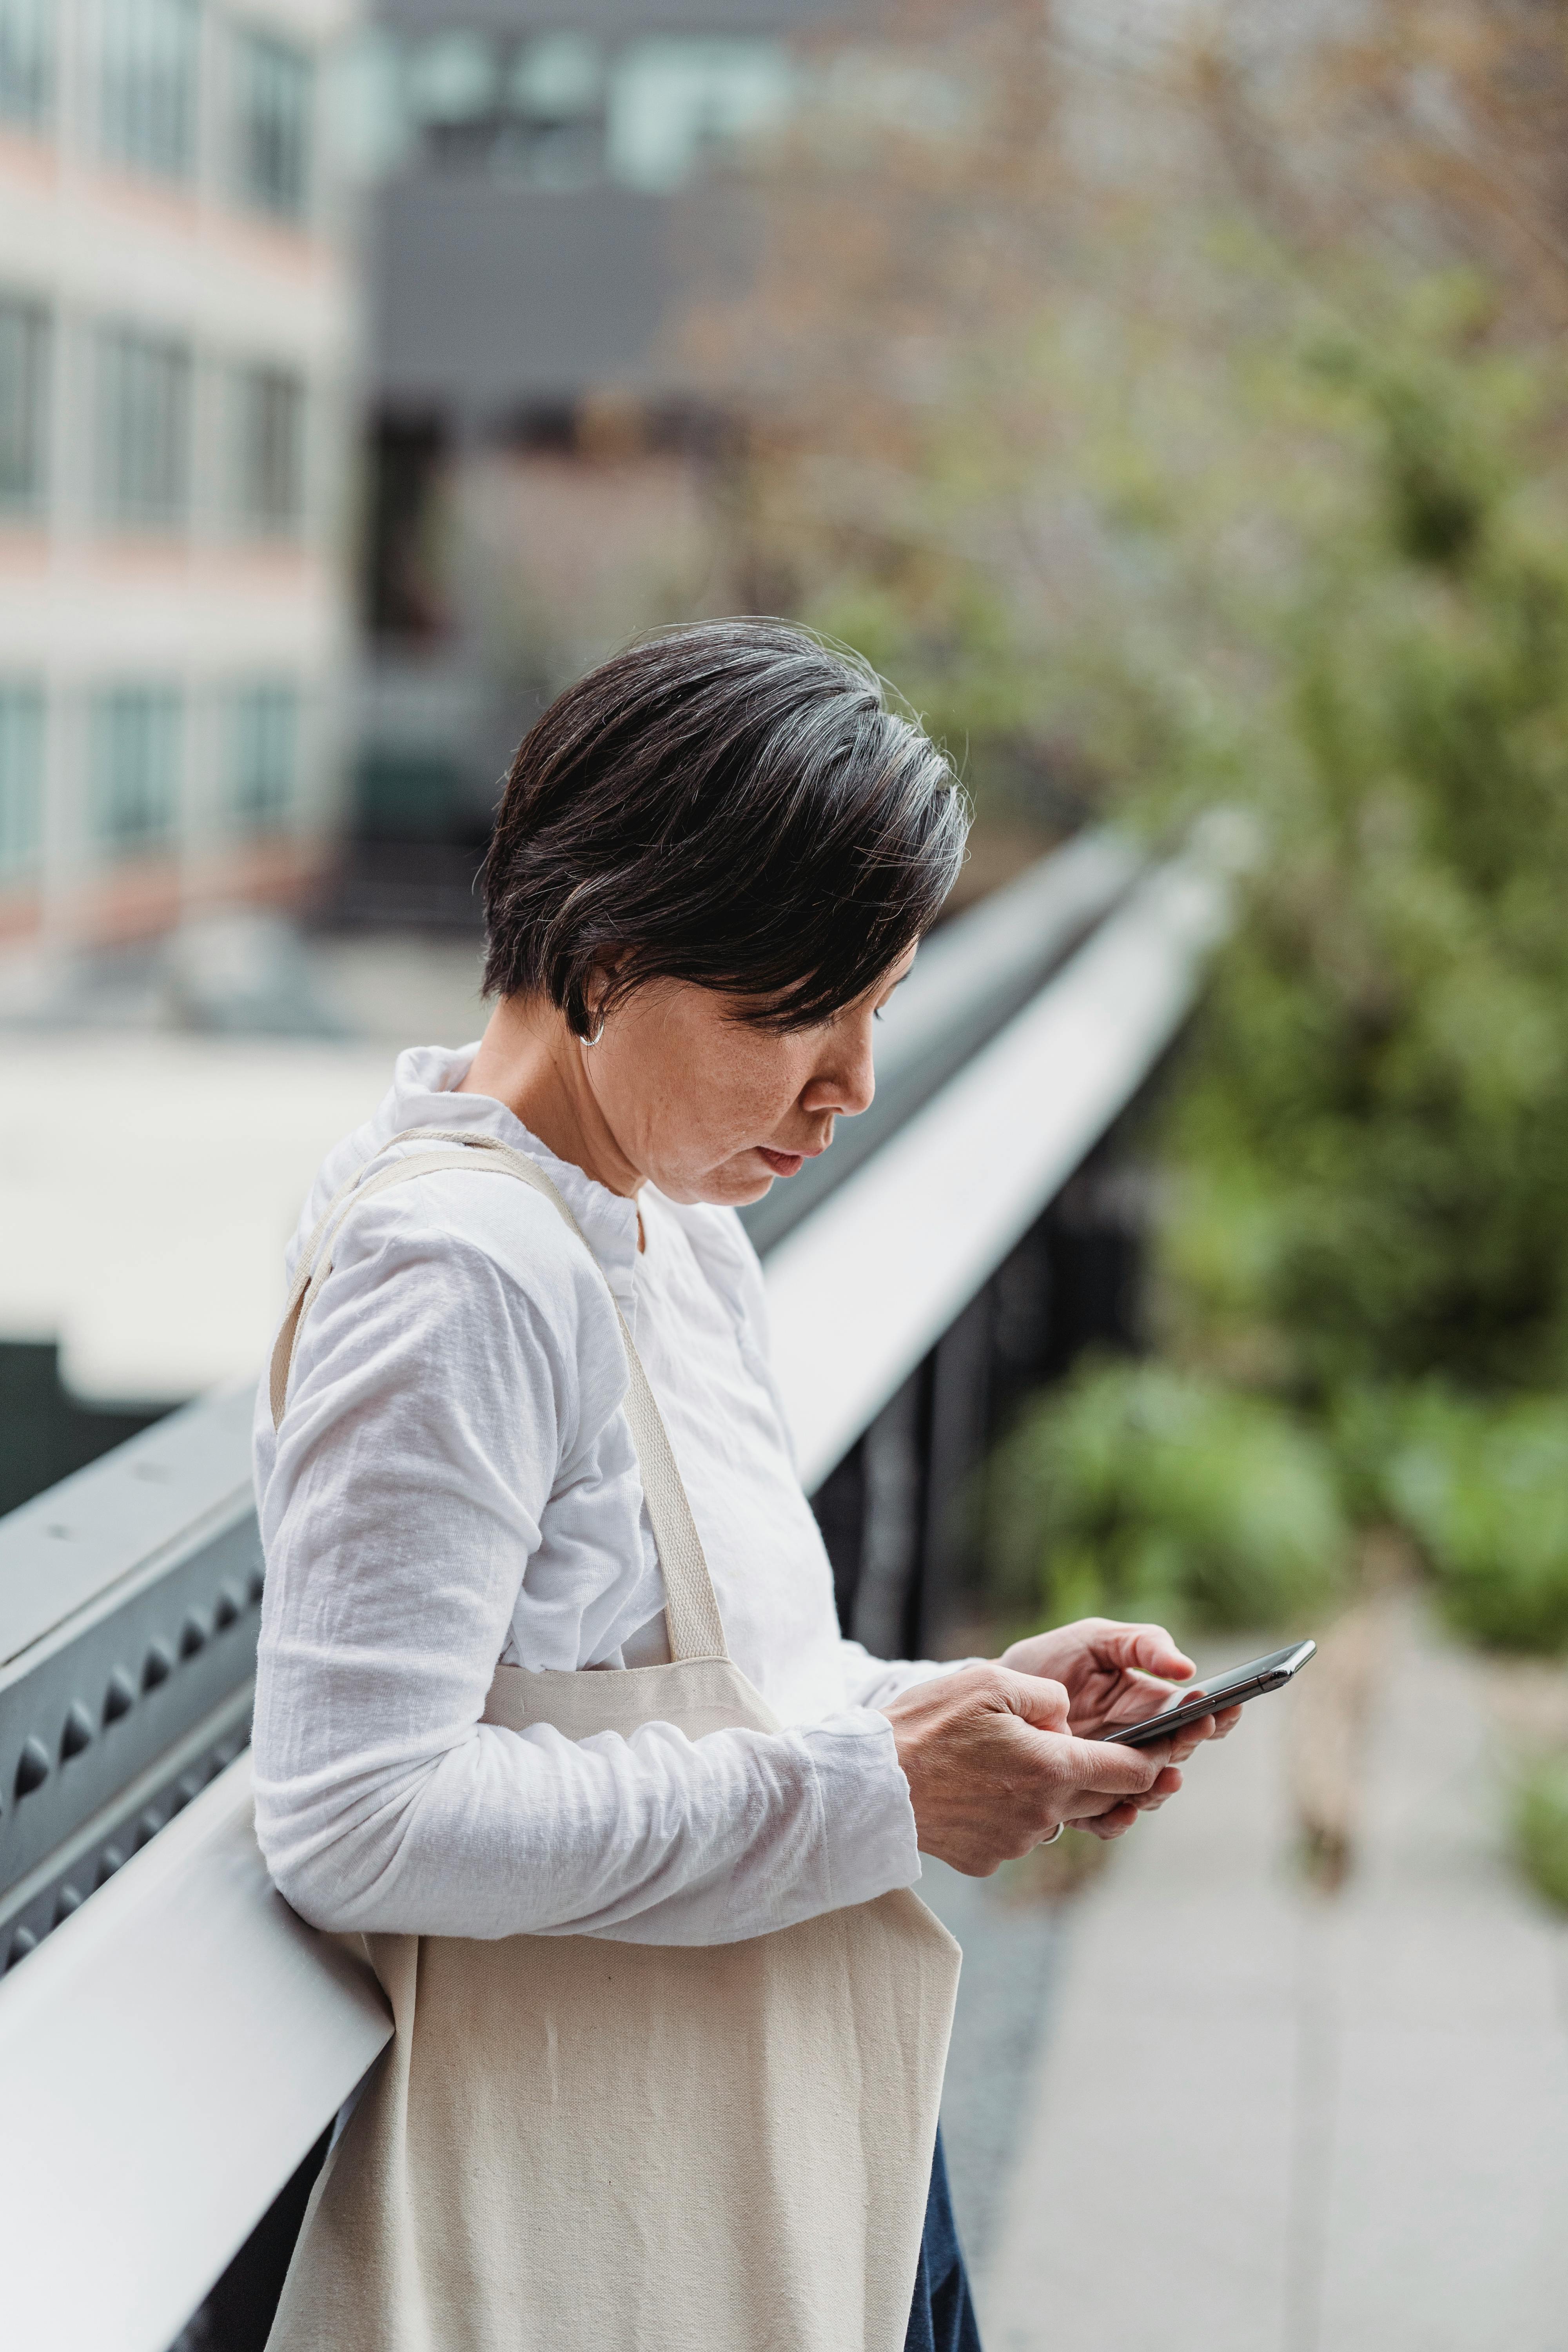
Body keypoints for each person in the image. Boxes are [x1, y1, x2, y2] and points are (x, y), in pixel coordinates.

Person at [252, 620, 1237, 2352]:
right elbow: (355, 1817)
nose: (850, 1087)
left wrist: (951, 1716)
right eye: (795, 1017)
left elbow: (719, 1686)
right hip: (631, 2185)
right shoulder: (463, 1272)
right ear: (607, 955)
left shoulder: (667, 1212)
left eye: (877, 1009)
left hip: (806, 2129)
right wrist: (881, 1794)